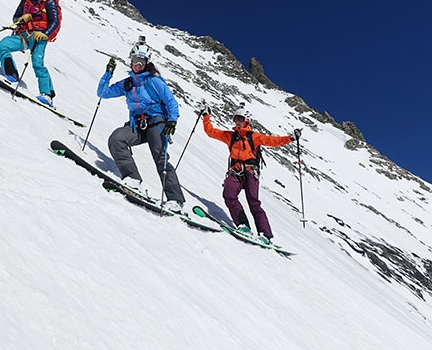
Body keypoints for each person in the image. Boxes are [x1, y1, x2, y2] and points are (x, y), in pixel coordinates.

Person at [97, 44, 185, 212]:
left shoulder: (154, 81)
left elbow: (171, 102)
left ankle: (175, 199)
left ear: (147, 63)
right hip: (137, 124)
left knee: (160, 156)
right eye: (135, 60)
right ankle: (133, 179)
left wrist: (172, 121)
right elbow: (103, 93)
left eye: (141, 61)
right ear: (130, 61)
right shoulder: (127, 83)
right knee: (117, 139)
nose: (137, 64)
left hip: (156, 121)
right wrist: (108, 74)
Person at [201, 104, 301, 245]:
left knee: (253, 202)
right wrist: (206, 116)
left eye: (240, 118)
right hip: (235, 171)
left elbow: (273, 141)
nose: (237, 121)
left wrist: (290, 138)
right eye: (235, 118)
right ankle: (243, 225)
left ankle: (265, 235)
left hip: (250, 171)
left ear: (246, 120)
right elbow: (211, 132)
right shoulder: (230, 136)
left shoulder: (254, 137)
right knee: (229, 194)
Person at [0, 0, 60, 106]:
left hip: (39, 37)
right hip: (23, 35)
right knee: (2, 46)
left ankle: (47, 95)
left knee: (37, 64)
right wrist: (20, 19)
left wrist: (45, 33)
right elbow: (15, 18)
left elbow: (55, 22)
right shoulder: (26, 0)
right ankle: (11, 75)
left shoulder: (50, 3)